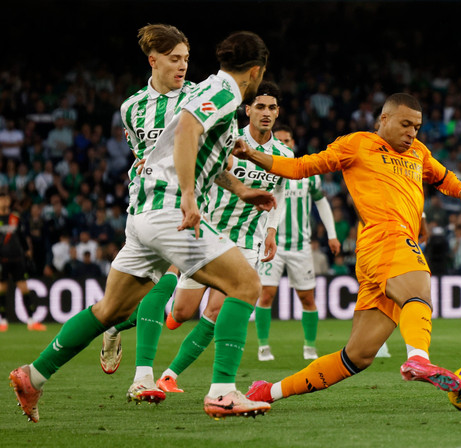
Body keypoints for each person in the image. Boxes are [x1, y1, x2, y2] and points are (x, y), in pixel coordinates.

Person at [10, 30, 274, 423]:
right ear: (257, 71)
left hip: (143, 212)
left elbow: (197, 156)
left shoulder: (204, 93)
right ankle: (222, 391)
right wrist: (188, 194)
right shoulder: (222, 93)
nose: (182, 65)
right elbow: (186, 132)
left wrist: (240, 189)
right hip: (169, 209)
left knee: (110, 309)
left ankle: (34, 375)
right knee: (247, 285)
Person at [234, 93, 461, 407]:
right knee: (419, 292)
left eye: (417, 127)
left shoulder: (418, 152)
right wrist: (251, 155)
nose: (412, 133)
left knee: (357, 356)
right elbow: (301, 166)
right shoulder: (357, 145)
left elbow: (443, 177)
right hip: (385, 237)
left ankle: (267, 391)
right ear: (384, 119)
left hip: (379, 255)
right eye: (405, 124)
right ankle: (418, 358)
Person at [154, 81, 292, 393]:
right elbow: (207, 168)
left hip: (246, 241)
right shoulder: (229, 139)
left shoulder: (283, 154)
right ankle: (163, 307)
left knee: (214, 313)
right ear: (248, 110)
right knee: (181, 312)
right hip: (209, 231)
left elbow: (279, 194)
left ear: (278, 112)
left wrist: (271, 231)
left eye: (271, 107)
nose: (266, 113)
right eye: (260, 106)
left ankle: (169, 375)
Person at [99, 23, 197, 383]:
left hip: (193, 201)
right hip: (153, 204)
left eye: (186, 58)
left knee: (177, 306)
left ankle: (115, 324)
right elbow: (142, 153)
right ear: (154, 61)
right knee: (165, 282)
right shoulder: (132, 108)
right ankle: (143, 379)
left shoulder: (198, 96)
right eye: (175, 59)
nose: (183, 66)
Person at [253, 125, 341, 362]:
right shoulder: (263, 172)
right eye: (279, 140)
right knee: (266, 295)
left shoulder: (306, 175)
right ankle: (263, 347)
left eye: (287, 140)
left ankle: (310, 347)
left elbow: (322, 202)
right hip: (273, 244)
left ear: (292, 144)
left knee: (307, 298)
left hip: (301, 246)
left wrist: (331, 234)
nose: (283, 144)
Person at [0, 193, 47, 332]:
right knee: (2, 289)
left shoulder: (15, 218)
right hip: (2, 260)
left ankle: (31, 321)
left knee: (24, 289)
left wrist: (27, 251)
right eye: (2, 198)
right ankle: (3, 321)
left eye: (6, 198)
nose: (4, 201)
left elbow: (21, 236)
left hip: (17, 259)